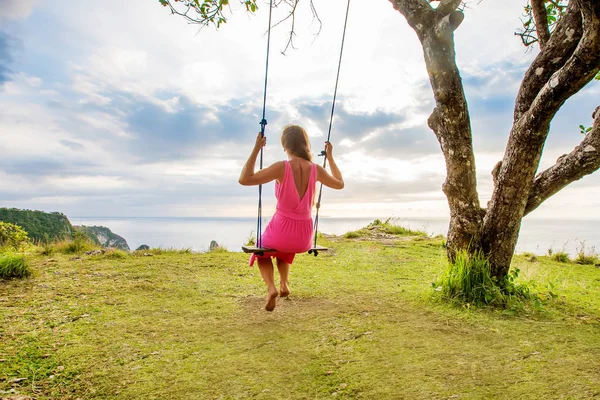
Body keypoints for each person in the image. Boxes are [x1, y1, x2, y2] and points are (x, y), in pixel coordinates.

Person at [239, 124, 344, 311]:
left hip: (282, 229)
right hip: (304, 237)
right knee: (283, 249)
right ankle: (284, 284)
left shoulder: (282, 167)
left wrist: (256, 148)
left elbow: (244, 179)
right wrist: (330, 158)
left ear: (285, 145)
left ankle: (272, 288)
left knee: (262, 250)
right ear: (305, 144)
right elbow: (339, 184)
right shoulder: (316, 169)